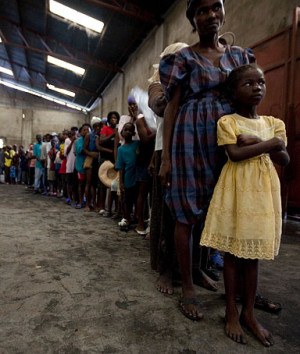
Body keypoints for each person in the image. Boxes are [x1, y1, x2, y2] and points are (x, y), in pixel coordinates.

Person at [159, 0, 256, 321]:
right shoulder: (182, 58)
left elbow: (254, 95)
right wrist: (167, 158)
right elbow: (171, 107)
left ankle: (241, 291)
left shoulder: (240, 56)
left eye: (216, 7)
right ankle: (187, 286)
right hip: (190, 137)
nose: (211, 15)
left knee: (231, 210)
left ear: (223, 12)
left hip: (229, 137)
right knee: (186, 212)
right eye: (202, 10)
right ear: (193, 19)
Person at [200, 64, 289, 346]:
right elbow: (236, 154)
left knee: (253, 257)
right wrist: (271, 144)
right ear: (233, 92)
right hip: (237, 191)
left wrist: (264, 139)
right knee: (231, 255)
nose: (257, 88)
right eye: (248, 84)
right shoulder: (228, 122)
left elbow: (285, 159)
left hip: (262, 195)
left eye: (260, 83)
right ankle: (230, 311)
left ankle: (249, 312)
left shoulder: (275, 124)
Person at [115, 123, 139, 231]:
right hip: (128, 177)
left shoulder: (137, 144)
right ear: (122, 132)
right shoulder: (121, 149)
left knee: (138, 199)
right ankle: (127, 218)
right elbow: (120, 168)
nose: (128, 132)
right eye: (126, 130)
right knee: (127, 200)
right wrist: (121, 183)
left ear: (134, 133)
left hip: (138, 176)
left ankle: (138, 218)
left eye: (130, 130)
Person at [97, 111, 120, 216]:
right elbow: (101, 141)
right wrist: (112, 134)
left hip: (114, 159)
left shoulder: (118, 130)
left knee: (114, 184)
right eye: (112, 118)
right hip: (105, 159)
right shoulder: (105, 129)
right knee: (103, 184)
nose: (113, 119)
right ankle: (102, 207)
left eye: (115, 118)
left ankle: (113, 208)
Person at [83, 117, 101, 212]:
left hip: (98, 160)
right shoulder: (89, 136)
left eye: (99, 125)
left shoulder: (100, 135)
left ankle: (95, 204)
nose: (98, 127)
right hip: (90, 159)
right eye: (96, 126)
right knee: (89, 183)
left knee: (95, 183)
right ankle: (87, 204)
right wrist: (91, 154)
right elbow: (84, 149)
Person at [75, 124, 91, 209]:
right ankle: (81, 201)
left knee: (89, 184)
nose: (86, 132)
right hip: (81, 165)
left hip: (89, 165)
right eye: (84, 130)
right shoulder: (80, 140)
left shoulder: (91, 139)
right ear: (81, 132)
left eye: (87, 130)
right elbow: (79, 150)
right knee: (81, 184)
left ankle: (88, 201)